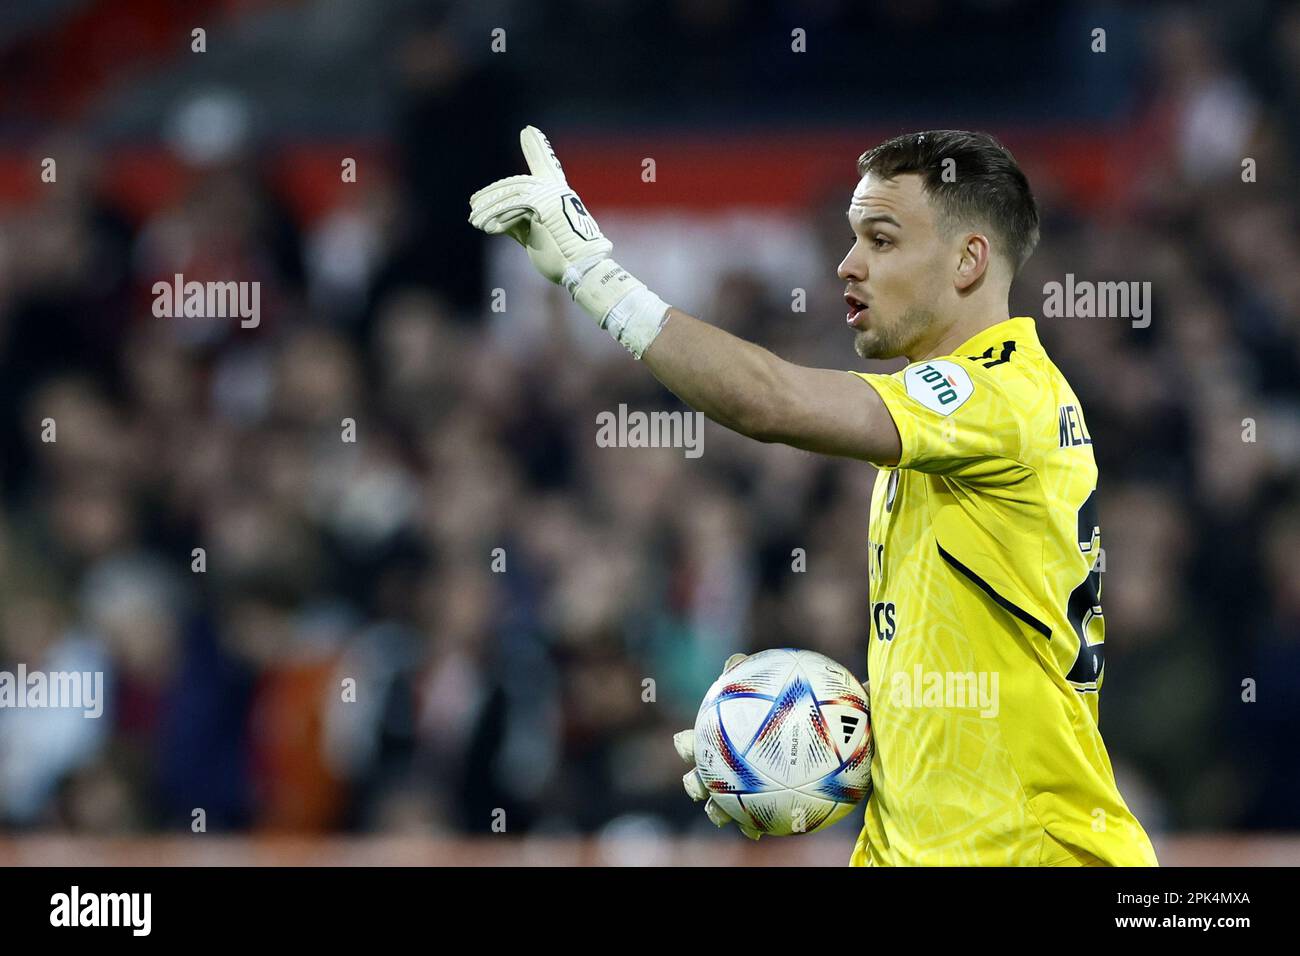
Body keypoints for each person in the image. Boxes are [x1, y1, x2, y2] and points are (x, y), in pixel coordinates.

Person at [468, 127, 1158, 866]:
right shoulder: (951, 426)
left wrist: (595, 278)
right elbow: (968, 670)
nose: (849, 264)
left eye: (883, 240)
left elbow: (770, 402)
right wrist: (788, 737)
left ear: (968, 260)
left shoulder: (998, 395)